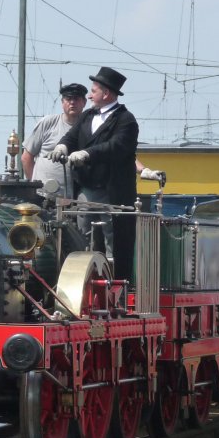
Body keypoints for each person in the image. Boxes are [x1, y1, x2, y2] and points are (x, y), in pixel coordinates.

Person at [46, 66, 164, 281]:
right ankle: (84, 282)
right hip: (86, 190)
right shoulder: (88, 116)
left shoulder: (126, 120)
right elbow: (72, 137)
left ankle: (116, 287)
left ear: (106, 94)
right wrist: (63, 146)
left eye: (93, 91)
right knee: (82, 237)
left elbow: (116, 147)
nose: (89, 95)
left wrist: (86, 154)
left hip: (113, 193)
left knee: (113, 241)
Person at [21, 82, 87, 197]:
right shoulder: (48, 123)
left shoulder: (89, 128)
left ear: (84, 102)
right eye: (68, 99)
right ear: (62, 102)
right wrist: (33, 185)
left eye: (76, 99)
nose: (72, 102)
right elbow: (26, 157)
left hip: (75, 198)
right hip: (43, 195)